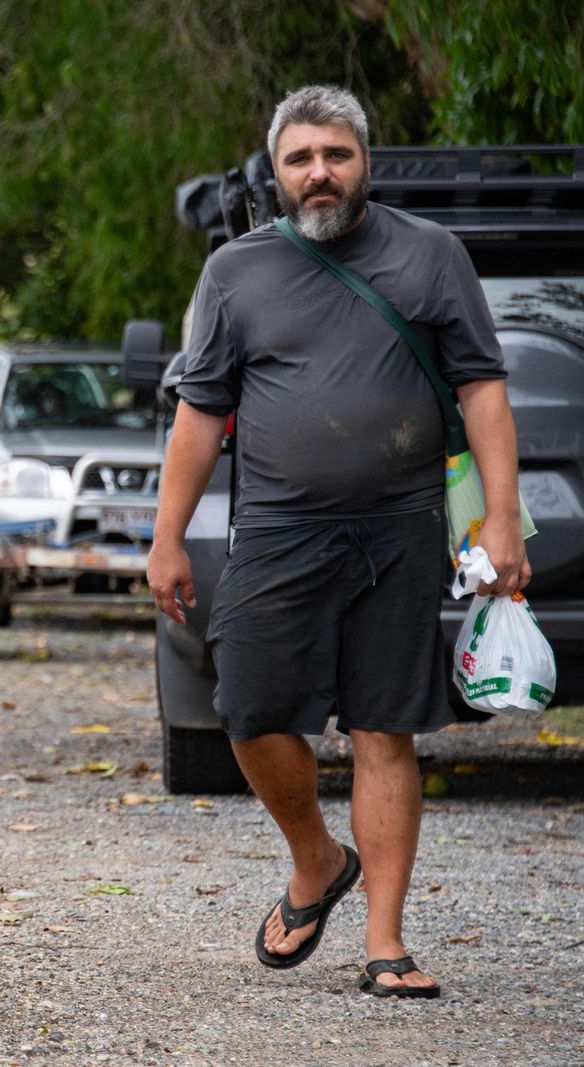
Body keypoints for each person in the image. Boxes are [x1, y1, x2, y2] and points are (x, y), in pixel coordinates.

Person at [148, 85, 527, 998]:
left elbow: (481, 390)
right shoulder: (235, 272)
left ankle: (386, 944)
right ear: (276, 173)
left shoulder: (431, 255)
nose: (319, 172)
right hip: (278, 531)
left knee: (383, 727)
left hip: (400, 530)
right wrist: (165, 540)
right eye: (300, 158)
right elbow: (199, 416)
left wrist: (501, 519)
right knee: (248, 705)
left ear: (366, 160)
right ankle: (317, 858)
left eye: (336, 155)